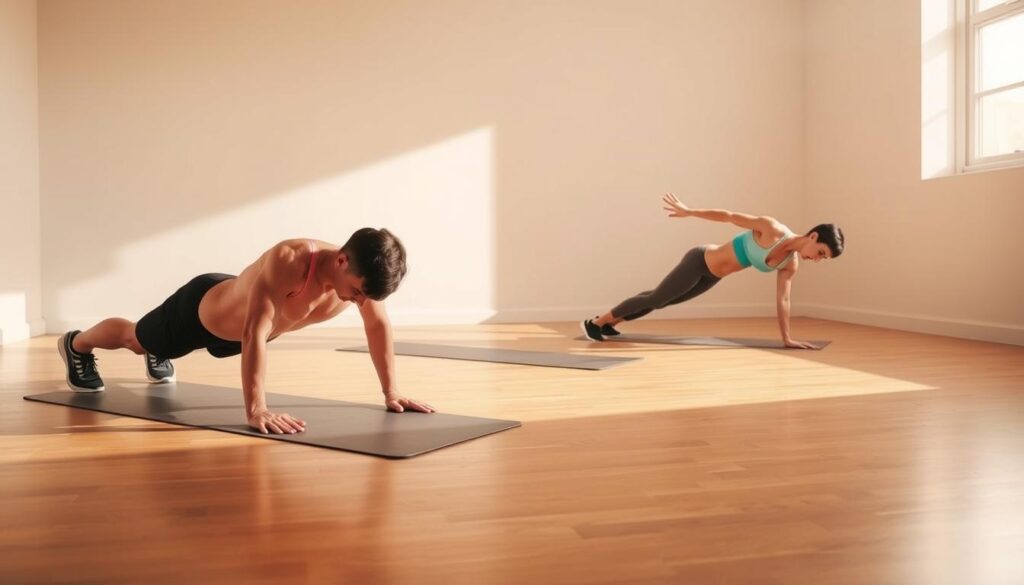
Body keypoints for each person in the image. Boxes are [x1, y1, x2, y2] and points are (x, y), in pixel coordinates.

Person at [57, 228, 435, 434]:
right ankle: (77, 344)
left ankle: (162, 353)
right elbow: (255, 332)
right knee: (135, 339)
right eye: (355, 292)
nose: (357, 301)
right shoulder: (290, 259)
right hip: (202, 312)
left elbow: (378, 326)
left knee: (163, 347)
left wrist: (392, 391)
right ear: (340, 261)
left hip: (234, 334)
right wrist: (257, 410)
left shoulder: (361, 282)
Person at [581, 194, 845, 349]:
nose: (818, 259)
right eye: (821, 252)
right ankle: (596, 322)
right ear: (812, 236)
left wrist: (787, 338)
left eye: (824, 259)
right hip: (699, 261)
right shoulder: (771, 228)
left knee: (662, 299)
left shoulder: (790, 263)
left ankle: (611, 323)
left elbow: (784, 299)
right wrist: (689, 211)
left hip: (713, 276)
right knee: (658, 298)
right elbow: (729, 215)